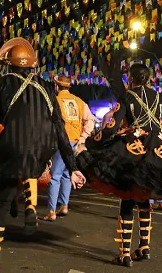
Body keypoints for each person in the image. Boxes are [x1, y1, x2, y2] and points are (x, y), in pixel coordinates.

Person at [0, 38, 86, 273]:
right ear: (33, 66)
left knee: (0, 202)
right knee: (29, 168)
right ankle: (31, 204)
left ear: (8, 64)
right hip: (42, 150)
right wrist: (73, 166)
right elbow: (59, 128)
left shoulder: (1, 84)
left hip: (13, 147)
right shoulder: (46, 87)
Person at [77, 55, 162, 267]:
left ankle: (125, 254)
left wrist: (93, 143)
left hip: (133, 149)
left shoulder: (127, 96)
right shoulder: (159, 97)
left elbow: (111, 127)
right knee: (145, 194)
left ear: (131, 78)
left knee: (128, 196)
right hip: (159, 149)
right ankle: (144, 247)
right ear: (147, 79)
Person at [42, 75, 95, 221]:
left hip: (61, 142)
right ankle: (64, 205)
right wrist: (83, 137)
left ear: (56, 86)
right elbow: (90, 119)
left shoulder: (55, 101)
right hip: (75, 143)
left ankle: (51, 211)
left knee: (55, 176)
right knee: (67, 174)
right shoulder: (79, 101)